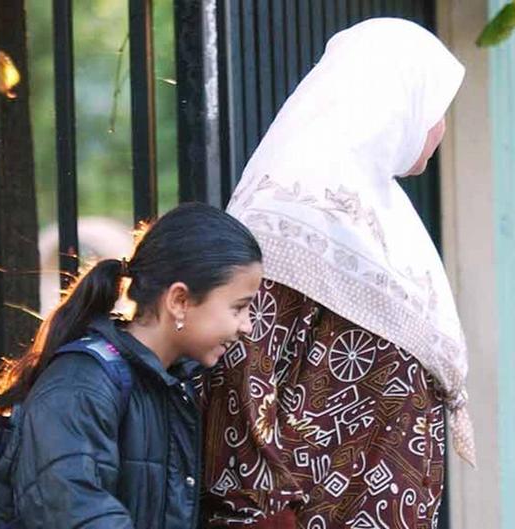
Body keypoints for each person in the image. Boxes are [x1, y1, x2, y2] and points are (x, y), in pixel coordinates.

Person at [201, 18, 473, 529]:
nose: (439, 129)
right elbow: (245, 369)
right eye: (435, 110)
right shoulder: (295, 202)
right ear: (395, 101)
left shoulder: (383, 212)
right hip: (309, 513)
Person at [0, 202, 263, 528]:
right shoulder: (80, 385)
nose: (247, 326)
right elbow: (73, 512)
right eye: (239, 307)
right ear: (179, 301)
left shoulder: (173, 384)